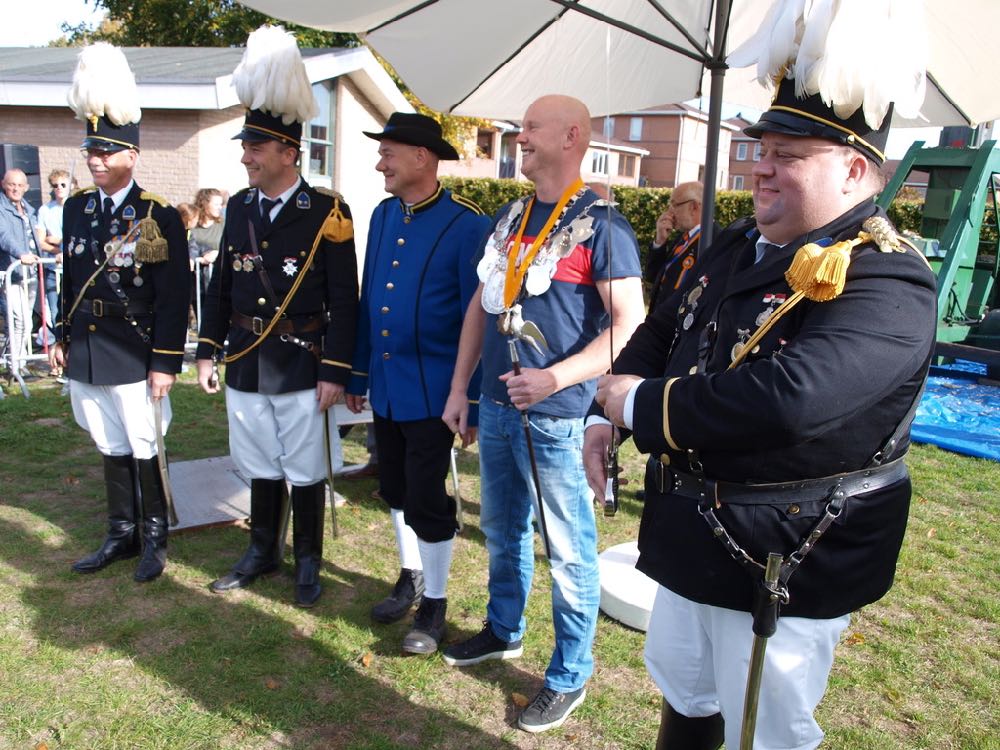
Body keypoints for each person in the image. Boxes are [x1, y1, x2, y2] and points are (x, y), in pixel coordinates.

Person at [584, 74, 938, 750]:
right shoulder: (737, 243)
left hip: (788, 553)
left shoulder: (886, 276)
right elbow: (666, 328)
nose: (762, 167)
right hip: (692, 533)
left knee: (766, 729)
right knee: (685, 694)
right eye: (763, 148)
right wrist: (609, 417)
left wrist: (637, 401)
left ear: (855, 168)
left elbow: (793, 399)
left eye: (789, 154)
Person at [441, 94, 646, 732]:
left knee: (568, 549)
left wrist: (556, 376)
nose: (519, 135)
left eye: (531, 126)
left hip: (557, 416)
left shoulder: (605, 226)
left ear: (572, 136)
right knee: (503, 532)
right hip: (500, 407)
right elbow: (481, 305)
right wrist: (460, 390)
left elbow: (627, 323)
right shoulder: (510, 214)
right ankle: (505, 629)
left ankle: (570, 673)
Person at [196, 25, 358, 609]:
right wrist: (206, 350)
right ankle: (262, 550)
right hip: (244, 358)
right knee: (259, 460)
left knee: (305, 464)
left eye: (256, 149)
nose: (246, 158)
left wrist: (335, 369)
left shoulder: (328, 212)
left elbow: (346, 299)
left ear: (288, 153)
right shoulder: (237, 207)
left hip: (300, 360)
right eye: (245, 148)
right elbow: (220, 290)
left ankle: (308, 559)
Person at [346, 112, 490, 654]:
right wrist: (361, 372)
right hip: (386, 383)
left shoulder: (467, 225)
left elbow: (479, 319)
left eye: (388, 152)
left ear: (421, 158)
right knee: (397, 489)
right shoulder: (383, 215)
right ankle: (411, 575)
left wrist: (469, 400)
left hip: (435, 390)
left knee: (429, 497)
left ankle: (436, 603)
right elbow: (369, 299)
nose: (380, 161)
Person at [52, 42, 190, 583]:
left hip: (135, 350)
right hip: (88, 343)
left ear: (131, 155)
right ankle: (120, 531)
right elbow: (70, 278)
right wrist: (63, 333)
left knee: (142, 440)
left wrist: (164, 361)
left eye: (106, 151)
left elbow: (173, 294)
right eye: (91, 149)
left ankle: (155, 534)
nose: (95, 159)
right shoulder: (76, 208)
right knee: (107, 440)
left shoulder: (153, 215)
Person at [645, 180, 710, 312]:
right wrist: (660, 241)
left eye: (675, 205)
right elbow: (653, 277)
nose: (670, 211)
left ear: (694, 207)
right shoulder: (683, 238)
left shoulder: (712, 240)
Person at [0, 168, 41, 375]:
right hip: (11, 274)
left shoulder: (29, 209)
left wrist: (56, 253)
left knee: (26, 321)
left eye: (19, 185)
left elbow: (38, 238)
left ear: (26, 187)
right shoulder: (1, 208)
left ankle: (21, 363)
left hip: (31, 273)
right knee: (19, 320)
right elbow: (4, 235)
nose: (15, 189)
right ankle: (14, 366)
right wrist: (20, 254)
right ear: (3, 185)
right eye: (11, 184)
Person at [36, 169, 71, 348]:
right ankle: (57, 349)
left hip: (72, 269)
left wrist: (57, 241)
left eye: (63, 185)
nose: (59, 188)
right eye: (55, 185)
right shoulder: (45, 210)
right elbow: (41, 242)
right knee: (54, 311)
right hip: (53, 269)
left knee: (70, 311)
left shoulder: (75, 208)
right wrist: (58, 250)